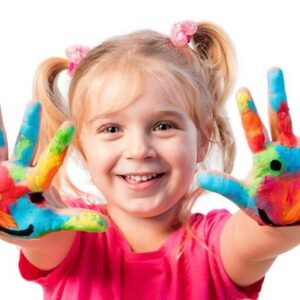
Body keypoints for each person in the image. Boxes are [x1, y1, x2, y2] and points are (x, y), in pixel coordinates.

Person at [1, 20, 300, 300]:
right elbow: (36, 234)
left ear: (202, 140)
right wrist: (8, 207)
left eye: (163, 126)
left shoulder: (219, 246)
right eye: (112, 129)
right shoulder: (69, 232)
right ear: (81, 149)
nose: (139, 149)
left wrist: (285, 209)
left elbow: (264, 236)